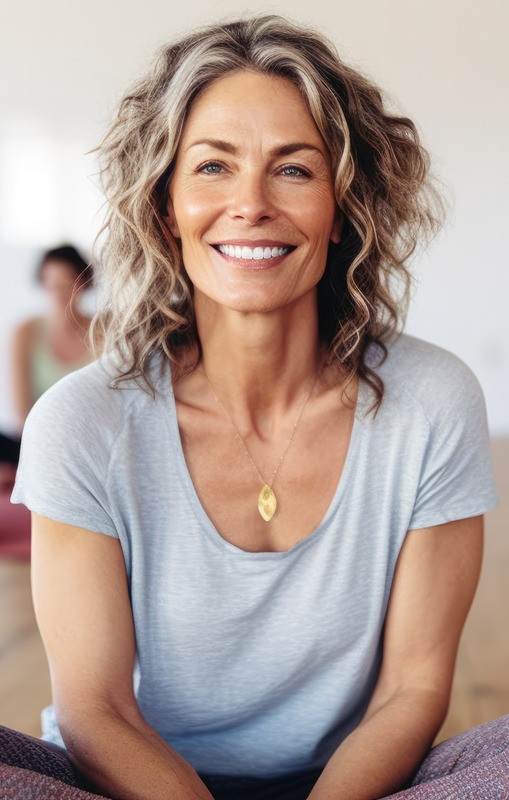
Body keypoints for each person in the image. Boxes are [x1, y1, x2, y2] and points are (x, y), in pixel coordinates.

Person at [4, 14, 504, 800]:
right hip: (122, 781)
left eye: (294, 170)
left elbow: (411, 690)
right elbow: (97, 711)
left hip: (350, 786)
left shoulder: (432, 402)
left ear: (342, 208)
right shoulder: (81, 420)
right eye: (211, 167)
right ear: (165, 206)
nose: (250, 204)